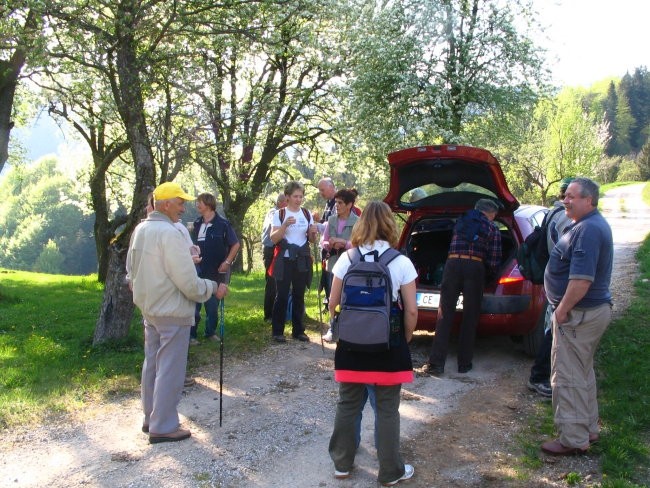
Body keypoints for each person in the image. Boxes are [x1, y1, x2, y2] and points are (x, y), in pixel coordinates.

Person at [127, 182, 228, 443]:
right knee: (170, 369)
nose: (184, 208)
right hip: (171, 309)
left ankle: (151, 419)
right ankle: (164, 425)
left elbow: (131, 271)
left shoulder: (141, 229)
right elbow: (188, 283)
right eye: (180, 202)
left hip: (150, 309)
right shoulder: (169, 233)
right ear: (165, 204)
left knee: (153, 365)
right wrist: (213, 287)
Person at [328, 201, 418, 486]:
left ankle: (342, 463)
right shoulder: (401, 261)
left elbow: (333, 304)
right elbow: (412, 310)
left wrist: (345, 331)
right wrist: (404, 337)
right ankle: (390, 471)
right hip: (387, 345)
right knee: (388, 409)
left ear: (362, 223)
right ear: (390, 224)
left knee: (348, 404)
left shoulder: (347, 258)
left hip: (352, 346)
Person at [540, 177, 613, 456]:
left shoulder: (588, 231)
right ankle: (589, 428)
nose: (565, 201)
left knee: (568, 376)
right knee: (582, 372)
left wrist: (560, 310)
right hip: (586, 314)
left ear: (589, 200)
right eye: (564, 196)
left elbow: (581, 281)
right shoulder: (587, 225)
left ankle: (573, 439)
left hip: (578, 315)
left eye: (572, 196)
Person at [419, 198, 502, 375]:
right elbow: (494, 259)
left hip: (452, 265)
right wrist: (489, 278)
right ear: (489, 213)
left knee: (445, 313)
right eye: (494, 215)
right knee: (470, 316)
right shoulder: (492, 228)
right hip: (474, 267)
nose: (494, 218)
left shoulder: (460, 221)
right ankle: (464, 364)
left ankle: (436, 363)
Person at [527, 177, 574, 397]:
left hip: (552, 275)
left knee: (554, 327)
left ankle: (546, 374)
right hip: (562, 278)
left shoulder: (550, 213)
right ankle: (539, 376)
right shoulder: (565, 218)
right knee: (555, 329)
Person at [269, 181, 318, 342]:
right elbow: (274, 238)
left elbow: (311, 240)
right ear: (288, 197)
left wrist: (313, 233)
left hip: (301, 259)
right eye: (295, 196)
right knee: (281, 295)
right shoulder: (280, 214)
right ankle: (278, 331)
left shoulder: (306, 213)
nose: (298, 199)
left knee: (299, 295)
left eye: (301, 196)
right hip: (284, 259)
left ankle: (298, 331)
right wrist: (284, 225)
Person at [191, 193, 240, 345]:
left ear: (208, 204)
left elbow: (235, 244)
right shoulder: (197, 223)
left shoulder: (223, 224)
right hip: (198, 270)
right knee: (194, 306)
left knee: (212, 307)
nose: (197, 205)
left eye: (200, 202)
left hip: (216, 271)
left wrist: (227, 261)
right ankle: (191, 335)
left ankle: (210, 332)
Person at [321, 188, 360, 342]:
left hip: (351, 265)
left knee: (349, 297)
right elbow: (323, 240)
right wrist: (328, 244)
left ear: (349, 204)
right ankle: (333, 328)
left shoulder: (358, 222)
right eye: (336, 202)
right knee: (332, 298)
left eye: (340, 203)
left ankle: (349, 328)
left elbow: (360, 244)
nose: (336, 205)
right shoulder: (331, 220)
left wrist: (344, 243)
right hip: (333, 264)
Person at [261, 193, 288, 322]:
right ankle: (269, 315)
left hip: (279, 249)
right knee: (271, 281)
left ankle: (280, 312)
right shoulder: (274, 213)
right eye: (287, 202)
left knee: (279, 281)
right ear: (281, 203)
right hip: (271, 249)